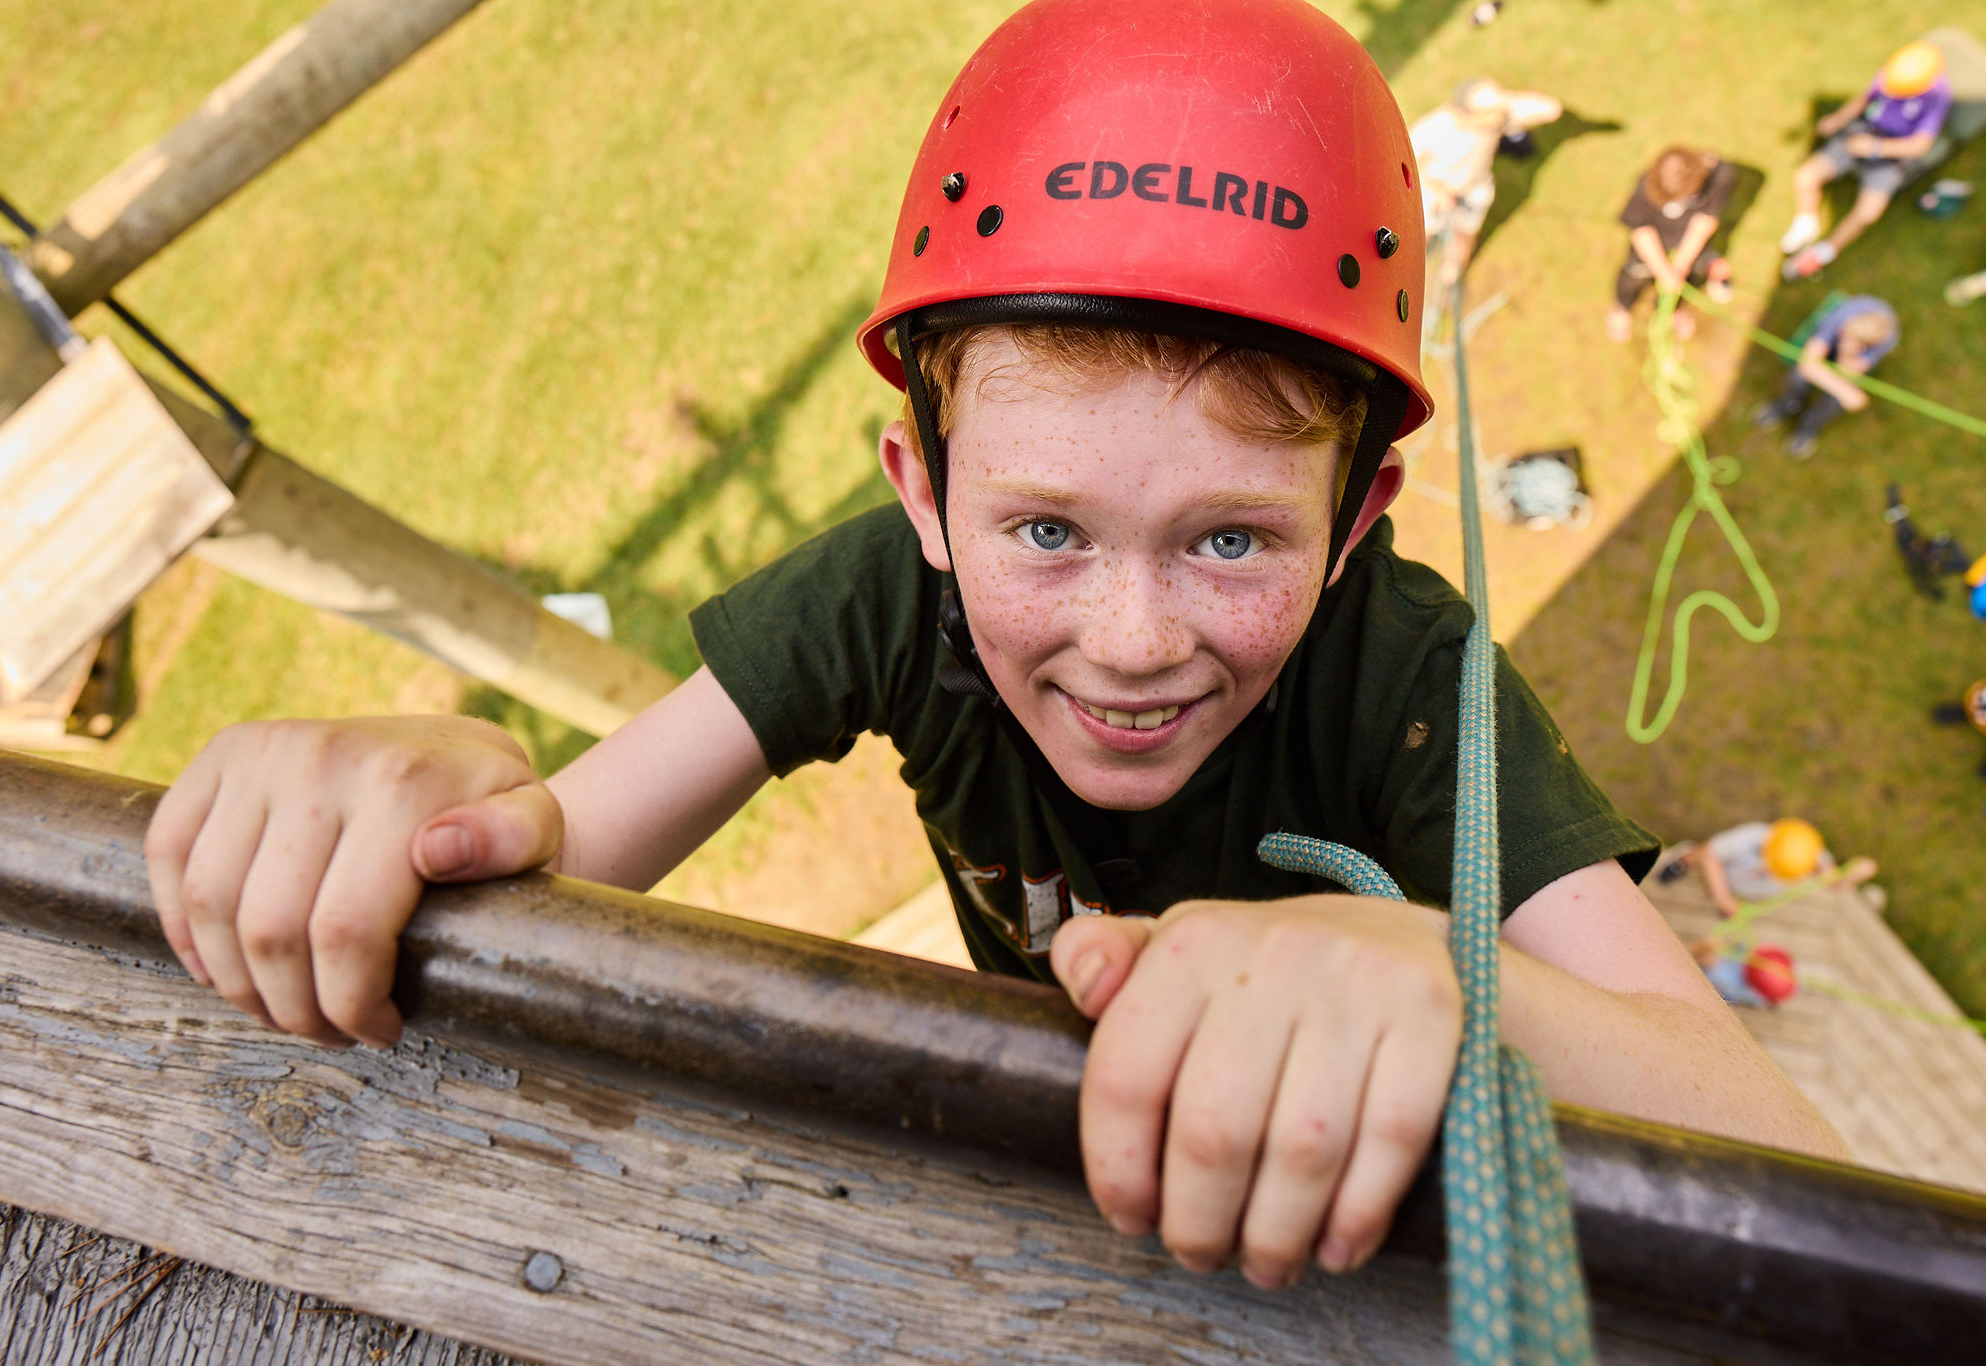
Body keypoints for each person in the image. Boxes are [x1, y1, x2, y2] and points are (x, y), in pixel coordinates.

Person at [143, 0, 1847, 1291]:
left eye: (1233, 539)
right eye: (1044, 530)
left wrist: (1436, 970)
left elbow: (1773, 1143)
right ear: (924, 490)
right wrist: (427, 803)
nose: (1129, 645)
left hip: (1344, 1216)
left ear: (1359, 514)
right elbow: (568, 847)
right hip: (1050, 1168)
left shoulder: (1406, 679)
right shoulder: (891, 591)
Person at [1781, 42, 1952, 280]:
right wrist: (1838, 120)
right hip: (1864, 131)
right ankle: (1807, 223)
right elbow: (1864, 99)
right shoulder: (1894, 73)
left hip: (1891, 154)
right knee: (1805, 177)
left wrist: (1875, 148)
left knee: (1867, 213)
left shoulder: (1937, 97)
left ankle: (1822, 252)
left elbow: (1919, 146)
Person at [1409, 77, 1562, 290]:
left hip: (1475, 188)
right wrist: (1439, 191)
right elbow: (1405, 164)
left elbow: (1551, 109)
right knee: (1421, 235)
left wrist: (1502, 99)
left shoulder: (1495, 121)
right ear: (1463, 111)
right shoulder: (1434, 127)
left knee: (1465, 235)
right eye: (1487, 111)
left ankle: (1451, 277)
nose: (1497, 117)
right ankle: (1406, 270)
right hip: (1433, 189)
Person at [1605, 147, 1736, 343]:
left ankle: (1674, 310)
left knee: (1690, 275)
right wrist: (1664, 271)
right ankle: (1622, 308)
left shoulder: (1720, 175)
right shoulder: (1646, 185)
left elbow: (1705, 221)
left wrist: (1680, 266)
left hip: (1690, 240)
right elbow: (1641, 231)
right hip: (1655, 240)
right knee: (1634, 273)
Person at [1751, 295, 1898, 458]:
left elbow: (1851, 370)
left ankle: (1808, 427)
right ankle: (1788, 405)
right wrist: (1845, 391)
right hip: (1823, 351)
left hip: (1848, 354)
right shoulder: (1839, 318)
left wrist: (1846, 350)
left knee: (1833, 402)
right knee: (1798, 377)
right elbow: (1806, 364)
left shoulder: (1885, 338)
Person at [1660, 818, 1874, 920]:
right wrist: (1723, 899)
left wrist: (1850, 876)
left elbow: (1833, 883)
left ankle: (1729, 903)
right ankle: (1682, 862)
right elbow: (1710, 855)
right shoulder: (1752, 837)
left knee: (1731, 906)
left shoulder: (1810, 855)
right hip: (1723, 873)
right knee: (1699, 854)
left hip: (1747, 892)